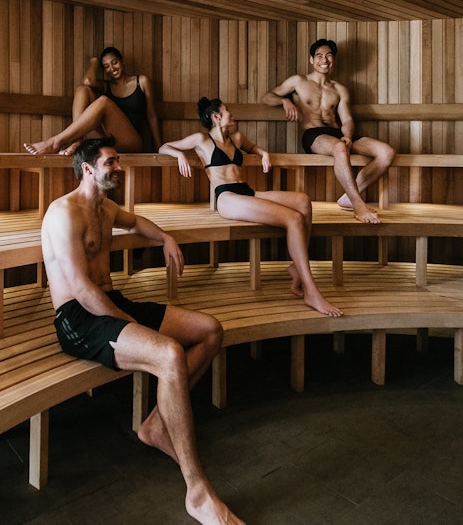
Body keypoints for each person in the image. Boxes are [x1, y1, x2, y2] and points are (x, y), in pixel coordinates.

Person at [41, 136, 245, 525]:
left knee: (209, 331)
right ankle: (198, 493)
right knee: (167, 353)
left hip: (112, 302)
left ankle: (155, 425)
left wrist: (165, 236)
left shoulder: (104, 208)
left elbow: (134, 221)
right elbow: (81, 290)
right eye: (111, 161)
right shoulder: (64, 213)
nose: (119, 167)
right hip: (79, 319)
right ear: (88, 168)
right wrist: (128, 323)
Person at [159, 97, 343, 318]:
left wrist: (263, 154)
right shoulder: (201, 140)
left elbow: (253, 147)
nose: (232, 113)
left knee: (302, 201)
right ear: (216, 117)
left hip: (246, 191)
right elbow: (164, 147)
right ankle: (311, 291)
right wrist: (179, 154)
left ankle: (296, 267)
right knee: (293, 219)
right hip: (227, 197)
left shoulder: (236, 138)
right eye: (227, 110)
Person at [261, 39, 396, 224]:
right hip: (314, 135)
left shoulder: (340, 89)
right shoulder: (298, 81)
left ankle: (348, 198)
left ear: (333, 59)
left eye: (329, 55)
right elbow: (267, 97)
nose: (324, 59)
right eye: (319, 56)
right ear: (311, 60)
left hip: (338, 135)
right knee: (340, 148)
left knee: (386, 152)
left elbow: (347, 119)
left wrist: (348, 136)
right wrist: (284, 101)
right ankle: (359, 207)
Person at [24, 47, 161, 155]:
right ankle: (77, 141)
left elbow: (152, 115)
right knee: (82, 90)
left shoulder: (141, 81)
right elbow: (88, 81)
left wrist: (160, 147)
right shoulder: (108, 86)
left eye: (114, 62)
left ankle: (55, 142)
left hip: (132, 141)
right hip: (108, 139)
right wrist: (94, 63)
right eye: (106, 66)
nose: (112, 68)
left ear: (122, 60)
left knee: (104, 101)